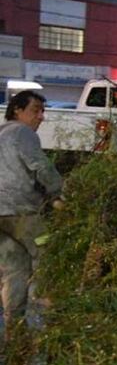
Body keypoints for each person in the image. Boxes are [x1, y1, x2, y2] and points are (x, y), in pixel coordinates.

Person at [0, 91, 63, 340]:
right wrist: (60, 193)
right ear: (17, 110)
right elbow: (39, 165)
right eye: (35, 110)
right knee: (48, 255)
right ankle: (55, 322)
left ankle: (14, 331)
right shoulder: (21, 133)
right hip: (21, 213)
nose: (41, 117)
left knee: (14, 269)